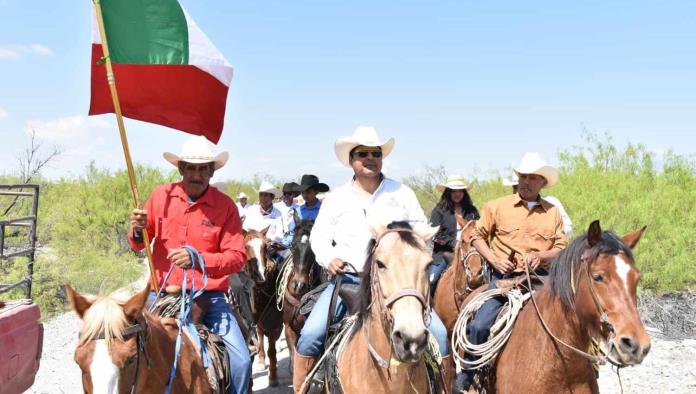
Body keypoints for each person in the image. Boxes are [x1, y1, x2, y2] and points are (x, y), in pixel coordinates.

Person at [292, 126, 450, 393]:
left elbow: (423, 234)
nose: (369, 158)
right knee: (310, 335)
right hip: (347, 280)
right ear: (351, 161)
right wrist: (329, 258)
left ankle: (443, 386)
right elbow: (318, 238)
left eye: (375, 153)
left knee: (441, 336)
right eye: (362, 153)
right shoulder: (336, 198)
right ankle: (303, 387)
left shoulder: (402, 193)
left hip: (398, 286)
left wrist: (415, 252)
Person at [128, 135, 251, 394]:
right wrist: (138, 229)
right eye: (191, 168)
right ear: (181, 169)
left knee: (241, 362)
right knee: (124, 353)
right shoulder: (161, 196)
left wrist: (199, 259)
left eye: (203, 168)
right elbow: (139, 242)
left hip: (208, 298)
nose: (197, 174)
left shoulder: (225, 206)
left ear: (211, 171)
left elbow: (237, 257)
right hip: (160, 294)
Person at [458, 152, 568, 392]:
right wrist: (495, 260)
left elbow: (561, 248)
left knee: (574, 320)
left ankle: (585, 371)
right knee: (480, 326)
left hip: (543, 280)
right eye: (522, 176)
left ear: (542, 182)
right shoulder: (497, 206)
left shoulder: (553, 212)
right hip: (504, 280)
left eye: (532, 177)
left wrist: (541, 256)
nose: (526, 181)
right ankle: (468, 376)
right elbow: (476, 236)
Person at [428, 175, 480, 294]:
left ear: (464, 193)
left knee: (484, 278)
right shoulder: (439, 210)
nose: (457, 194)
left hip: (469, 252)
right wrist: (455, 243)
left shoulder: (472, 211)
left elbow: (479, 230)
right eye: (453, 191)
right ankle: (428, 311)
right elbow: (435, 234)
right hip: (444, 254)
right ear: (448, 193)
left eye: (460, 191)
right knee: (431, 280)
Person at [503, 173, 573, 237]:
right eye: (515, 187)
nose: (520, 190)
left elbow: (567, 228)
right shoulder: (507, 207)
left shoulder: (552, 203)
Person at [279, 175, 330, 249]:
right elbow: (293, 232)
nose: (305, 195)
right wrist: (284, 244)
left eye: (308, 192)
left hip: (321, 247)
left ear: (316, 192)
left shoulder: (324, 210)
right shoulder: (298, 211)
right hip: (300, 248)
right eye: (303, 192)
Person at [243, 181, 287, 263]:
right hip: (252, 246)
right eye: (261, 195)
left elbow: (279, 234)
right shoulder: (251, 210)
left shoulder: (278, 213)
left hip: (270, 248)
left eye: (266, 195)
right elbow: (245, 229)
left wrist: (271, 240)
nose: (263, 198)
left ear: (272, 197)